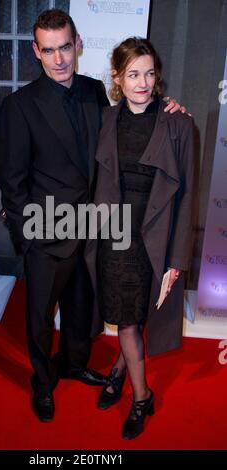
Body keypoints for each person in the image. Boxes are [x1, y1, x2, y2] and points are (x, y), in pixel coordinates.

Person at [0, 10, 184, 423]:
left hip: (95, 228)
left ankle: (74, 363)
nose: (59, 58)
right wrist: (27, 238)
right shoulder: (20, 105)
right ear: (36, 52)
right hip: (47, 231)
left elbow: (126, 130)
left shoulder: (95, 91)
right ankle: (42, 384)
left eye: (65, 46)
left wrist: (168, 109)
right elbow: (11, 180)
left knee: (82, 309)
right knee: (40, 318)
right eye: (49, 50)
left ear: (77, 44)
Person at [85, 37, 195, 439]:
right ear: (117, 77)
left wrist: (177, 259)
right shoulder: (105, 119)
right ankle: (125, 378)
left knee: (134, 319)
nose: (143, 82)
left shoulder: (178, 123)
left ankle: (140, 397)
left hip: (155, 239)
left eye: (149, 73)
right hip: (113, 239)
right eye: (133, 74)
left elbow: (184, 198)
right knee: (126, 318)